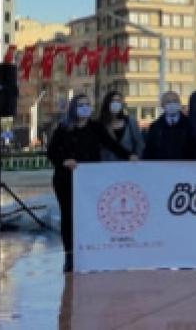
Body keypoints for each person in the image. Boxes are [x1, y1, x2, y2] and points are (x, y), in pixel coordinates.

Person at [46, 94, 136, 271]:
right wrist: (64, 161)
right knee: (69, 216)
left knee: (91, 216)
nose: (85, 108)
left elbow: (111, 145)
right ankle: (70, 255)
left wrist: (128, 156)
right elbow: (51, 152)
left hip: (90, 180)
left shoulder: (96, 128)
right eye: (81, 105)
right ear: (74, 108)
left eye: (88, 104)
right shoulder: (63, 128)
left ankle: (91, 251)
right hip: (66, 179)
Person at [143, 91, 194, 160]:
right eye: (168, 102)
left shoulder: (190, 125)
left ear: (179, 103)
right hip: (162, 167)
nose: (172, 104)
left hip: (185, 166)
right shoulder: (155, 126)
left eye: (175, 101)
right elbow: (149, 151)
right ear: (162, 105)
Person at [97, 91, 145, 161]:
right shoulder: (100, 124)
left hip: (128, 165)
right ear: (107, 103)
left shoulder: (130, 122)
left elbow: (139, 143)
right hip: (106, 167)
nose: (115, 103)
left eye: (118, 101)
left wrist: (137, 157)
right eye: (112, 101)